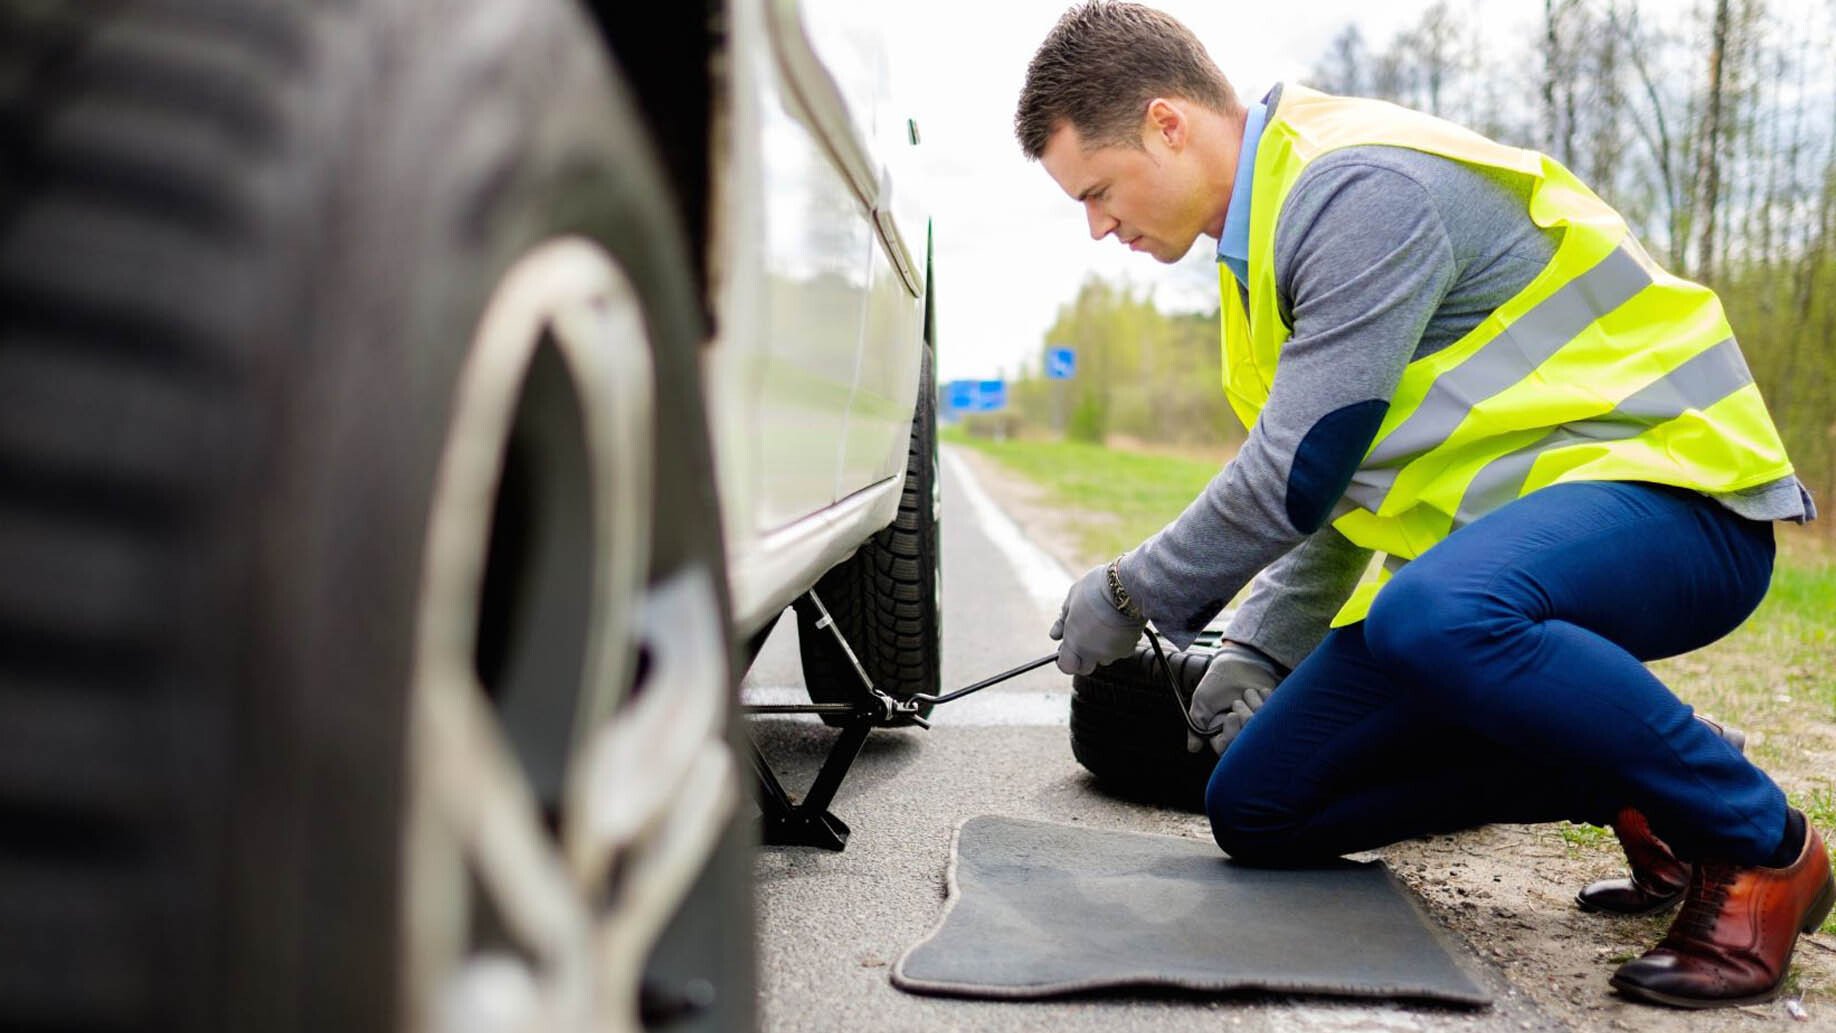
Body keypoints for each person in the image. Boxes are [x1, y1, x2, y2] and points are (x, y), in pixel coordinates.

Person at [1019, 1, 1832, 1010]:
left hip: (1682, 498)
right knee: (1259, 805)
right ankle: (1640, 778)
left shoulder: (1355, 188)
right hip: (1507, 564)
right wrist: (1258, 650)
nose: (1099, 225)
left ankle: (1762, 844)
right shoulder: (1255, 261)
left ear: (1167, 123)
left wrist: (1131, 591)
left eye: (1097, 191)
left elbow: (1296, 471)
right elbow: (1343, 485)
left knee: (1430, 617)